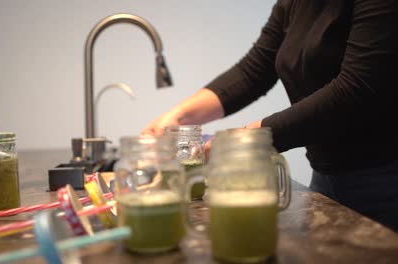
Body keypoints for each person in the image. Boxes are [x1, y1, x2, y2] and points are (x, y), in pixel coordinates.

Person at [141, 0, 398, 232]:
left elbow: (358, 88)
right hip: (325, 175)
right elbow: (253, 71)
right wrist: (177, 117)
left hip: (384, 181)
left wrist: (251, 138)